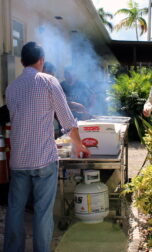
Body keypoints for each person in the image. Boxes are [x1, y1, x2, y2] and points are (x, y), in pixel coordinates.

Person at [3, 41, 90, 252]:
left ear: (22, 61)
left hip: (19, 161)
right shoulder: (49, 82)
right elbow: (68, 121)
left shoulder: (11, 88)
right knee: (42, 211)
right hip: (43, 159)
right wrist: (79, 145)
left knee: (15, 210)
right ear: (41, 60)